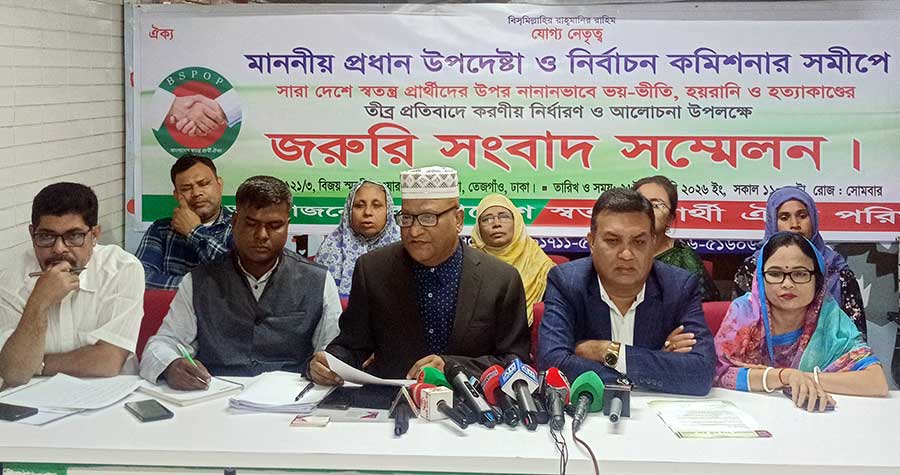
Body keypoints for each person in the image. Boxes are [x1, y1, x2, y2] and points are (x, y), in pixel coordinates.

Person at [308, 166, 531, 385]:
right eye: (406, 218)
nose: (414, 231)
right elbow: (352, 346)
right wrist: (328, 363)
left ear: (458, 220)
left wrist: (451, 366)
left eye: (428, 217)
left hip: (469, 403)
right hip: (392, 401)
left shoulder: (500, 279)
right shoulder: (373, 269)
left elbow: (514, 361)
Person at [140, 176, 341, 389]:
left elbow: (333, 350)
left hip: (292, 396)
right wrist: (171, 364)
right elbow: (163, 343)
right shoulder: (199, 280)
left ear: (287, 226)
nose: (262, 235)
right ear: (234, 222)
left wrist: (324, 366)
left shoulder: (317, 280)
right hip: (214, 395)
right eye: (251, 224)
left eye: (274, 226)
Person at [538, 188, 716, 396]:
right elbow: (553, 364)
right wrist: (659, 364)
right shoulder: (567, 282)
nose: (626, 254)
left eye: (639, 242)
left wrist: (610, 352)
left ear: (653, 243)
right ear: (591, 242)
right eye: (612, 241)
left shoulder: (678, 286)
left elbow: (701, 375)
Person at [715, 232, 887, 411]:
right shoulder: (745, 312)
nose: (787, 284)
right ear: (760, 277)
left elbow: (876, 381)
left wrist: (802, 379)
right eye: (775, 274)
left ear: (817, 280)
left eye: (799, 274)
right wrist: (783, 376)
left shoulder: (830, 318)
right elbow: (718, 373)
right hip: (751, 413)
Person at [0, 183, 144, 388]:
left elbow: (108, 361)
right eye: (46, 236)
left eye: (74, 236)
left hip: (109, 393)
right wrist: (39, 302)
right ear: (32, 234)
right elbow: (14, 373)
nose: (59, 249)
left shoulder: (122, 269)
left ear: (94, 235)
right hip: (36, 397)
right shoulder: (11, 280)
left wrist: (37, 364)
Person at [732, 186, 867, 338]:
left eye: (802, 216)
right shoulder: (753, 269)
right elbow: (740, 334)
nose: (795, 224)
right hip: (765, 351)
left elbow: (857, 336)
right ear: (772, 223)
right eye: (784, 218)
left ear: (813, 219)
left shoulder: (837, 270)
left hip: (830, 351)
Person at [135, 154, 233, 290]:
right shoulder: (161, 229)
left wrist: (194, 231)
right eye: (186, 189)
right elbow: (140, 280)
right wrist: (208, 288)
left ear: (219, 185)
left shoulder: (239, 225)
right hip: (172, 304)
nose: (196, 193)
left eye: (203, 184)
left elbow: (238, 278)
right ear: (176, 195)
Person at [471, 193, 554, 326]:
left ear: (517, 222)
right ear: (478, 228)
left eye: (504, 216)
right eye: (487, 219)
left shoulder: (540, 264)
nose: (496, 224)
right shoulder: (468, 263)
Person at [632, 175, 719, 301]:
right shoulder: (614, 252)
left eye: (656, 205)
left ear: (670, 218)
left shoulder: (684, 258)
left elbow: (706, 306)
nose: (647, 210)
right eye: (640, 203)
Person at [316, 179, 400, 297]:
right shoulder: (330, 248)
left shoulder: (403, 247)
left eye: (376, 205)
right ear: (349, 211)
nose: (367, 212)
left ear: (388, 210)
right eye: (359, 206)